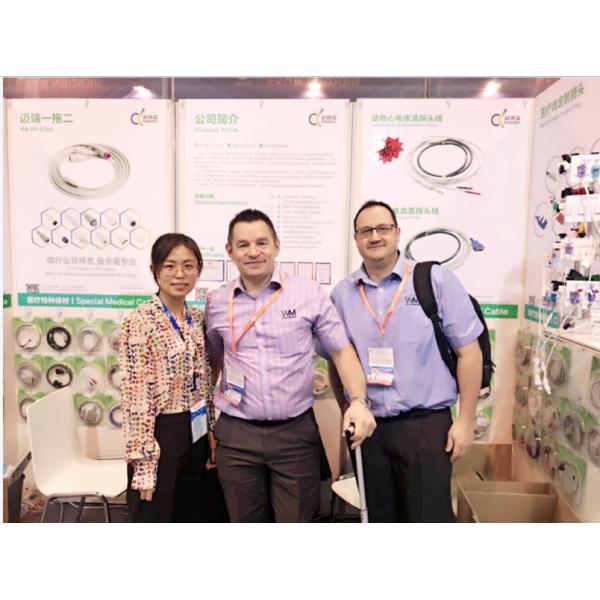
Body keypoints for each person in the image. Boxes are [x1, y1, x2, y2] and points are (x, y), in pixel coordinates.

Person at [204, 209, 376, 523]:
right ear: (230, 251)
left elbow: (342, 352)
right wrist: (208, 424)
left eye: (261, 243)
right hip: (237, 435)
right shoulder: (216, 302)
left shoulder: (307, 294)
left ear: (277, 246)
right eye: (243, 245)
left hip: (294, 435)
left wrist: (359, 400)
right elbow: (214, 361)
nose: (253, 252)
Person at [327, 200, 483, 522]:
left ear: (398, 232)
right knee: (379, 519)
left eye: (383, 228)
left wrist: (466, 421)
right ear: (355, 239)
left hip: (425, 426)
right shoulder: (343, 294)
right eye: (366, 231)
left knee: (429, 520)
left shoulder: (434, 280)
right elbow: (337, 358)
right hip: (370, 430)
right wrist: (348, 409)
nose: (375, 236)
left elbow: (469, 353)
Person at [119, 233, 216, 522]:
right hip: (160, 432)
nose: (180, 274)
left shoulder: (196, 317)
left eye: (188, 266)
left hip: (195, 429)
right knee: (155, 517)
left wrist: (210, 428)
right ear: (155, 270)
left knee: (189, 514)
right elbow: (136, 398)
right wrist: (144, 465)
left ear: (198, 269)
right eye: (170, 266)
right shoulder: (139, 321)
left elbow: (205, 378)